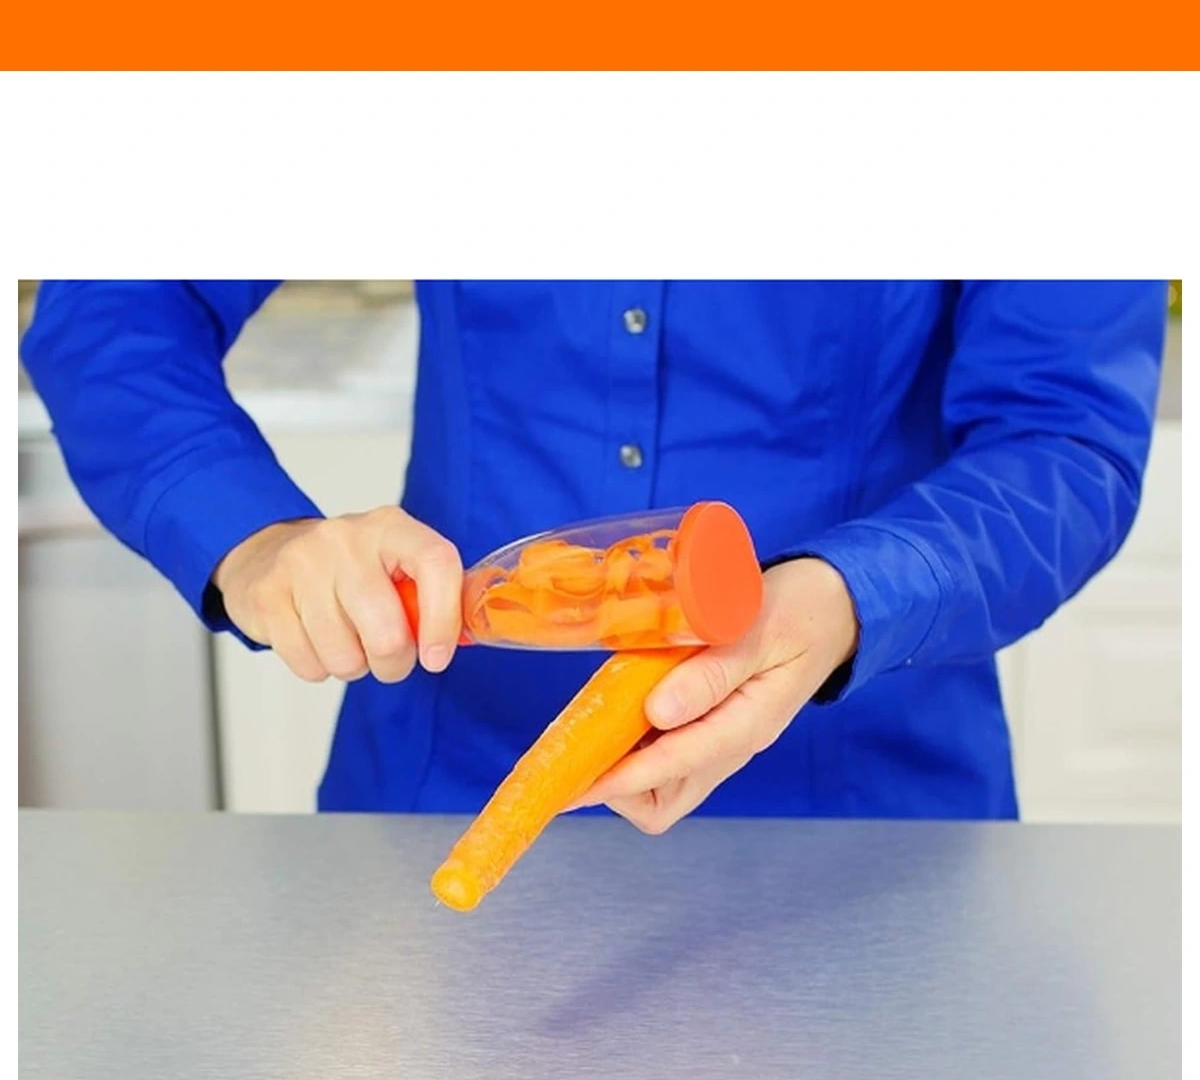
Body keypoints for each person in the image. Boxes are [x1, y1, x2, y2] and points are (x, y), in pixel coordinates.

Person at [21, 280, 1166, 828]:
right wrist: (256, 538)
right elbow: (116, 310)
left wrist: (846, 597)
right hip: (443, 801)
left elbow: (1062, 439)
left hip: (862, 824)